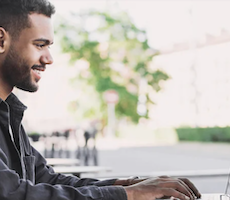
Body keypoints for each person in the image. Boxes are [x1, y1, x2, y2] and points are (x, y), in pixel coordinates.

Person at [0, 0, 202, 199]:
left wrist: (127, 185)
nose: (49, 58)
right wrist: (129, 194)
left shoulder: (10, 114)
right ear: (1, 41)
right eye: (40, 45)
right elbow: (14, 194)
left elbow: (46, 180)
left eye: (49, 46)